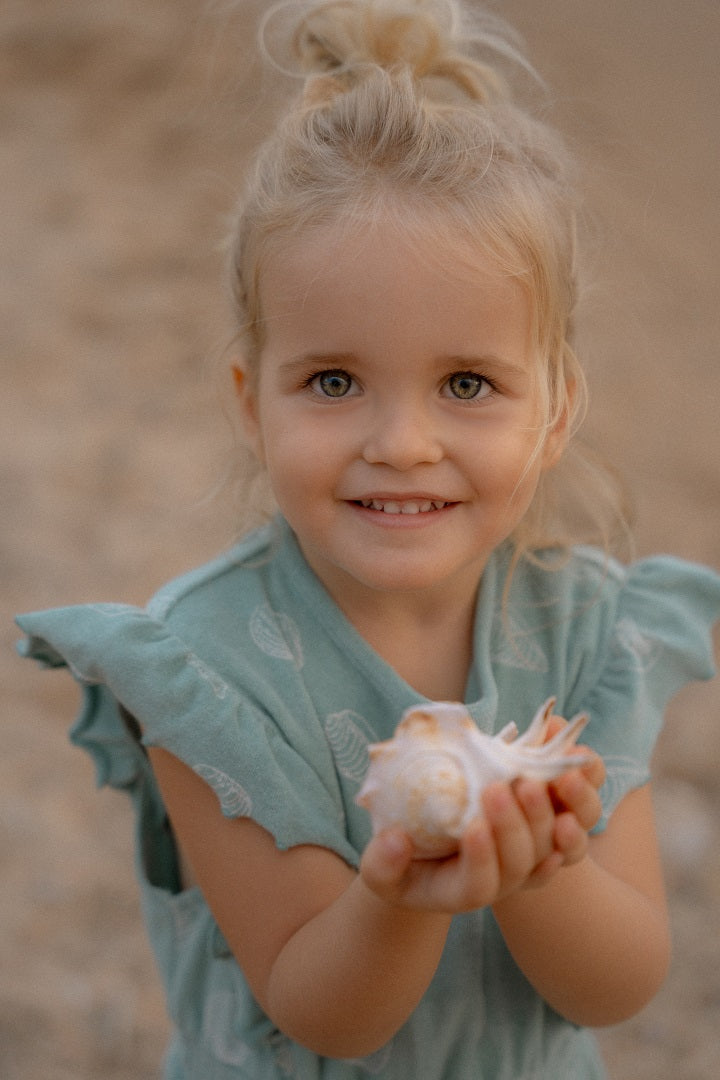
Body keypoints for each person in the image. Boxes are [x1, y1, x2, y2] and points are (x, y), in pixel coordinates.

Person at [16, 1, 720, 1076]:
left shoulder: (583, 627)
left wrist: (538, 868)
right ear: (253, 404)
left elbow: (619, 985)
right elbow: (319, 1010)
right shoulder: (208, 666)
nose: (402, 443)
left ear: (559, 412)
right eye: (334, 381)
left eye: (468, 383)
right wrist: (399, 891)